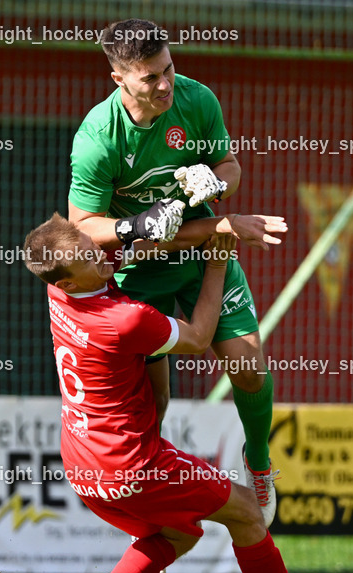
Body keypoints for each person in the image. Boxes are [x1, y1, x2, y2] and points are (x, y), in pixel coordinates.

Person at [23, 214, 353, 573]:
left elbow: (126, 252)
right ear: (66, 280)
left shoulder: (58, 293)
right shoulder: (125, 320)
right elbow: (198, 338)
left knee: (180, 533)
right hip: (133, 464)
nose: (101, 256)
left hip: (83, 465)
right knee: (247, 513)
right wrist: (216, 263)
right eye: (89, 256)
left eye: (91, 244)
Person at [68, 18, 284, 524]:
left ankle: (258, 464)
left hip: (202, 255)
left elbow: (230, 166)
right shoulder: (97, 139)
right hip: (138, 272)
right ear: (119, 77)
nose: (165, 85)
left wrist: (216, 182)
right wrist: (137, 224)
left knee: (248, 366)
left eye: (168, 68)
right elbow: (80, 228)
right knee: (154, 405)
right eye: (150, 77)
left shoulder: (197, 100)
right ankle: (152, 509)